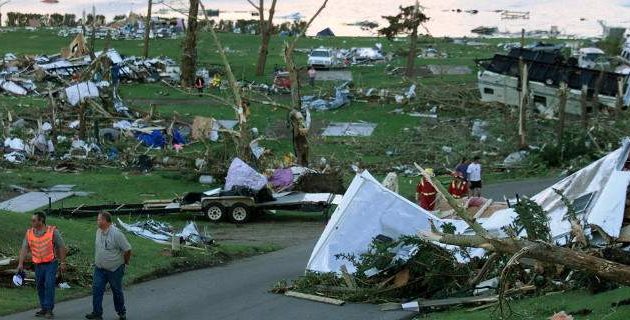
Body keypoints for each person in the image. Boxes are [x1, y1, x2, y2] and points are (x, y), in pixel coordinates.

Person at [17, 212, 67, 319]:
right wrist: (20, 263)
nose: (32, 222)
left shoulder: (52, 231)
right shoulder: (29, 233)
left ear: (41, 221)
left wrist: (63, 262)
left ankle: (49, 309)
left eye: (34, 220)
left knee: (49, 285)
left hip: (51, 263)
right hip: (38, 264)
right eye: (32, 220)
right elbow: (24, 248)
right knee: (39, 286)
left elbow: (61, 247)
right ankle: (44, 308)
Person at [85, 212, 132, 320]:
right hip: (100, 268)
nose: (97, 221)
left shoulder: (116, 234)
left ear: (105, 221)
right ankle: (97, 313)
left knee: (116, 290)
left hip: (114, 269)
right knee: (97, 289)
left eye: (99, 220)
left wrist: (125, 261)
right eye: (97, 219)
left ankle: (121, 312)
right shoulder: (98, 232)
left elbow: (127, 249)